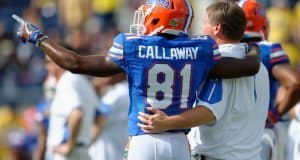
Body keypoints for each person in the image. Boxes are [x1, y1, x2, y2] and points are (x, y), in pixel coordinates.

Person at [12, 0, 261, 159]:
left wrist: (37, 38)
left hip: (143, 140)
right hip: (179, 144)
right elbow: (247, 67)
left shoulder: (133, 46)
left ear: (159, 17)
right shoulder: (201, 49)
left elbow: (76, 64)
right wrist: (254, 46)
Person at [137, 1, 269, 160]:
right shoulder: (260, 66)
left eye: (205, 22)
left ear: (217, 28)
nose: (201, 28)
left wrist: (167, 122)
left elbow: (209, 111)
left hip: (218, 156)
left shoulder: (220, 62)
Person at [238, 1, 300, 159]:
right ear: (263, 24)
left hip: (228, 132)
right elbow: (295, 83)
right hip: (259, 133)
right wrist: (273, 114)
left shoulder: (222, 50)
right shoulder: (268, 50)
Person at [43, 57, 99, 160]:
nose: (46, 66)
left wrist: (70, 145)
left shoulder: (66, 81)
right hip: (81, 149)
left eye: (48, 62)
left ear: (60, 61)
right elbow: (100, 115)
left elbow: (76, 114)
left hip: (66, 153)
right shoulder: (83, 81)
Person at [89, 73, 129, 160]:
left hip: (105, 149)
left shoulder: (114, 94)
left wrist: (85, 144)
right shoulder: (131, 91)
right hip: (123, 144)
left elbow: (100, 120)